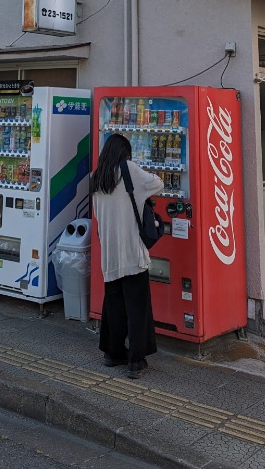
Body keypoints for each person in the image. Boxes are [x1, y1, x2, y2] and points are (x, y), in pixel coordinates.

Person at [90, 133, 163, 380]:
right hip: (131, 251)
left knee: (113, 306)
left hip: (109, 254)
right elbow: (158, 183)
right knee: (137, 307)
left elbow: (99, 216)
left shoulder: (97, 177)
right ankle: (135, 360)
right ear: (125, 152)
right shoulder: (129, 168)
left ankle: (112, 353)